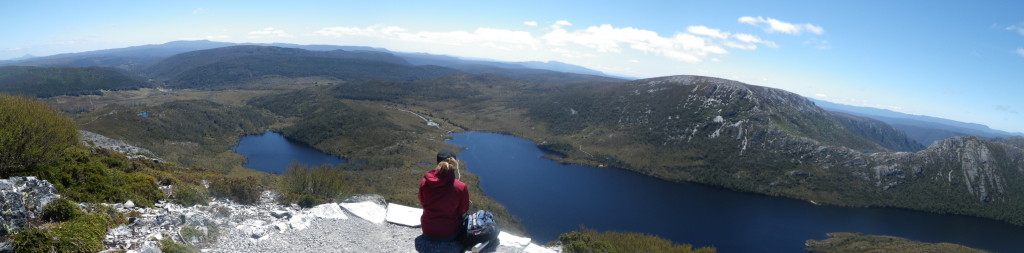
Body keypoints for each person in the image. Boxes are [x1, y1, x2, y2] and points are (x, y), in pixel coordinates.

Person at [415, 150, 470, 253]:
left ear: (437, 163)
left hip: (427, 230)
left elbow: (423, 202)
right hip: (449, 234)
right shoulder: (461, 187)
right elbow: (463, 209)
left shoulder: (425, 183)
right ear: (454, 164)